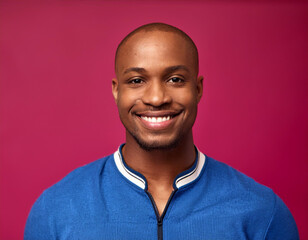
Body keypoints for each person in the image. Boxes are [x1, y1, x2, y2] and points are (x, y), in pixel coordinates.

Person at [24, 23, 299, 240]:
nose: (156, 98)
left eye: (175, 79)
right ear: (116, 90)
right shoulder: (56, 210)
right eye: (136, 80)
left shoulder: (263, 212)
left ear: (198, 89)